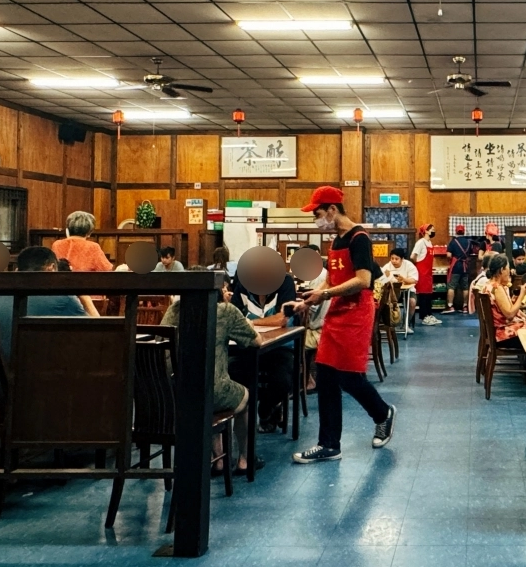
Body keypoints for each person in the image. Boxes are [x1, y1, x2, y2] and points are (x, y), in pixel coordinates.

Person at [292, 186, 395, 463]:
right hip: (337, 311)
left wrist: (323, 295)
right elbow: (332, 279)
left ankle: (383, 413)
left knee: (349, 376)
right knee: (325, 375)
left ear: (332, 210)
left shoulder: (359, 238)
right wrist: (309, 302)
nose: (316, 219)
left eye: (317, 213)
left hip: (356, 312)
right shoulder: (336, 240)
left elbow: (363, 280)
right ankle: (329, 444)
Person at [162, 289, 263, 475]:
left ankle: (218, 459)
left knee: (210, 392)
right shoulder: (225, 311)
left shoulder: (174, 310)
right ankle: (245, 459)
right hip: (211, 393)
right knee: (244, 398)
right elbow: (256, 341)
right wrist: (247, 324)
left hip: (174, 395)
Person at [0, 246, 90, 360]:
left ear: (17, 270)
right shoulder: (64, 298)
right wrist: (85, 298)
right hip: (39, 372)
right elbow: (95, 338)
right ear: (51, 268)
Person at [229, 270, 298, 434]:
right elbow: (232, 318)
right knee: (231, 373)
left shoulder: (285, 283)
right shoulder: (242, 287)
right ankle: (246, 420)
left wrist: (248, 322)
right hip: (247, 348)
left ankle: (267, 406)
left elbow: (282, 319)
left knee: (283, 380)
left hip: (280, 347)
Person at [483, 254, 526, 348]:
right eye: (508, 269)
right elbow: (509, 314)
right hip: (502, 335)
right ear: (502, 270)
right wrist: (522, 294)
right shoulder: (497, 288)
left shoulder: (488, 285)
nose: (509, 272)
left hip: (495, 331)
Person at [382, 247, 418, 333]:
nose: (394, 261)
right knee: (383, 300)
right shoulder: (387, 266)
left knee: (412, 302)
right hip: (393, 291)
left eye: (396, 259)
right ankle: (387, 324)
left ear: (402, 259)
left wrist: (404, 279)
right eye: (392, 258)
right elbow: (381, 278)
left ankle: (406, 324)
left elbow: (414, 280)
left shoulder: (409, 265)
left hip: (408, 290)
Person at [411, 223, 440, 326]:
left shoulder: (430, 243)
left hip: (428, 273)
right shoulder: (420, 243)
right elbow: (413, 256)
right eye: (431, 229)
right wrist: (417, 266)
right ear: (426, 231)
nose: (433, 230)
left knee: (428, 294)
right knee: (423, 295)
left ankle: (429, 314)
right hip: (421, 273)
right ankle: (424, 317)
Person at [444, 225, 470, 314]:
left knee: (451, 287)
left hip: (455, 266)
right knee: (465, 287)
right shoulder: (468, 242)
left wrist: (450, 260)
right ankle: (465, 306)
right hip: (465, 267)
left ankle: (450, 306)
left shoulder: (453, 242)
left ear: (456, 232)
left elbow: (448, 255)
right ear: (464, 231)